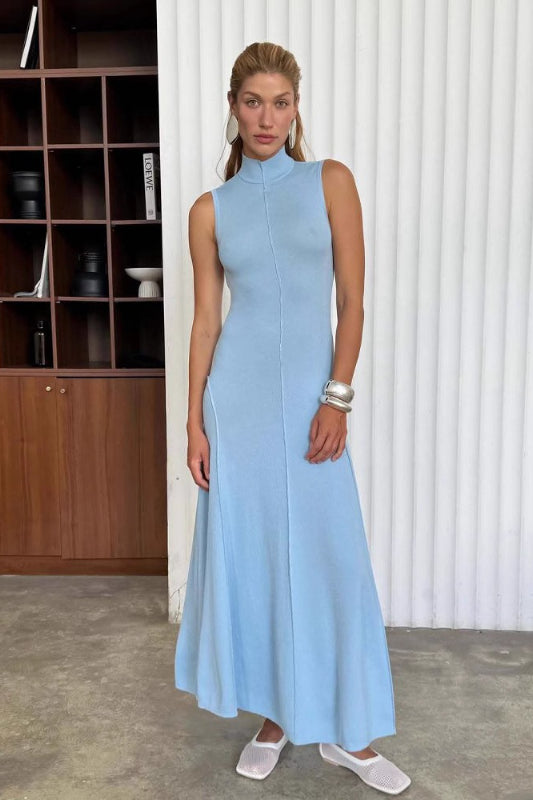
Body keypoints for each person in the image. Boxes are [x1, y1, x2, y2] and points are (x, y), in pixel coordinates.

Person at [174, 42, 411, 796]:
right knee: (256, 562)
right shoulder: (209, 211)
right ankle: (275, 717)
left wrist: (336, 397)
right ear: (233, 107)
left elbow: (353, 302)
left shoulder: (329, 181)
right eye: (253, 102)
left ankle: (350, 734)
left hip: (313, 401)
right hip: (236, 408)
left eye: (280, 102)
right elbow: (206, 323)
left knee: (329, 557)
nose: (266, 118)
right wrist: (193, 423)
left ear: (296, 107)